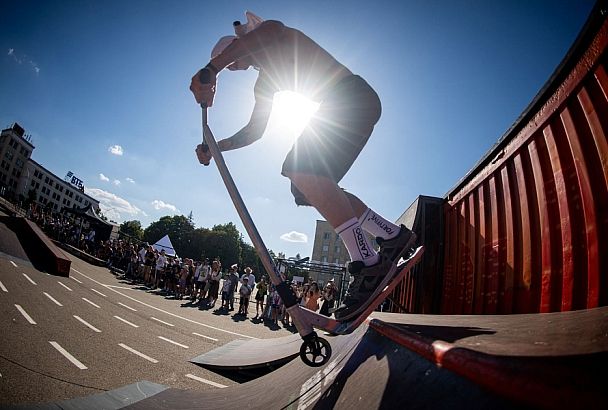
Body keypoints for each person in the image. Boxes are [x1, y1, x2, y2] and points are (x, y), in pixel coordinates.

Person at [189, 11, 417, 321]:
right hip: (345, 106)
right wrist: (217, 148)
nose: (237, 68)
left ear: (238, 47)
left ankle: (369, 262)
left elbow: (265, 35)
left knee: (300, 167)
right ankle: (392, 236)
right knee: (307, 188)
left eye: (234, 62)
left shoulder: (272, 33)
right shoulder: (264, 83)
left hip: (350, 97)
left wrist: (212, 68)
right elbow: (254, 132)